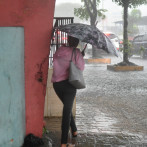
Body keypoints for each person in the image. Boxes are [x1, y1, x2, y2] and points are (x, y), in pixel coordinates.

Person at [51, 36, 85, 147]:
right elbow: (81, 67)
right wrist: (81, 56)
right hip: (70, 85)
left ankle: (74, 130)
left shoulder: (60, 50)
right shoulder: (77, 52)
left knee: (67, 107)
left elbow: (54, 60)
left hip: (57, 84)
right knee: (66, 112)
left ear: (68, 40)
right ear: (77, 42)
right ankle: (64, 142)